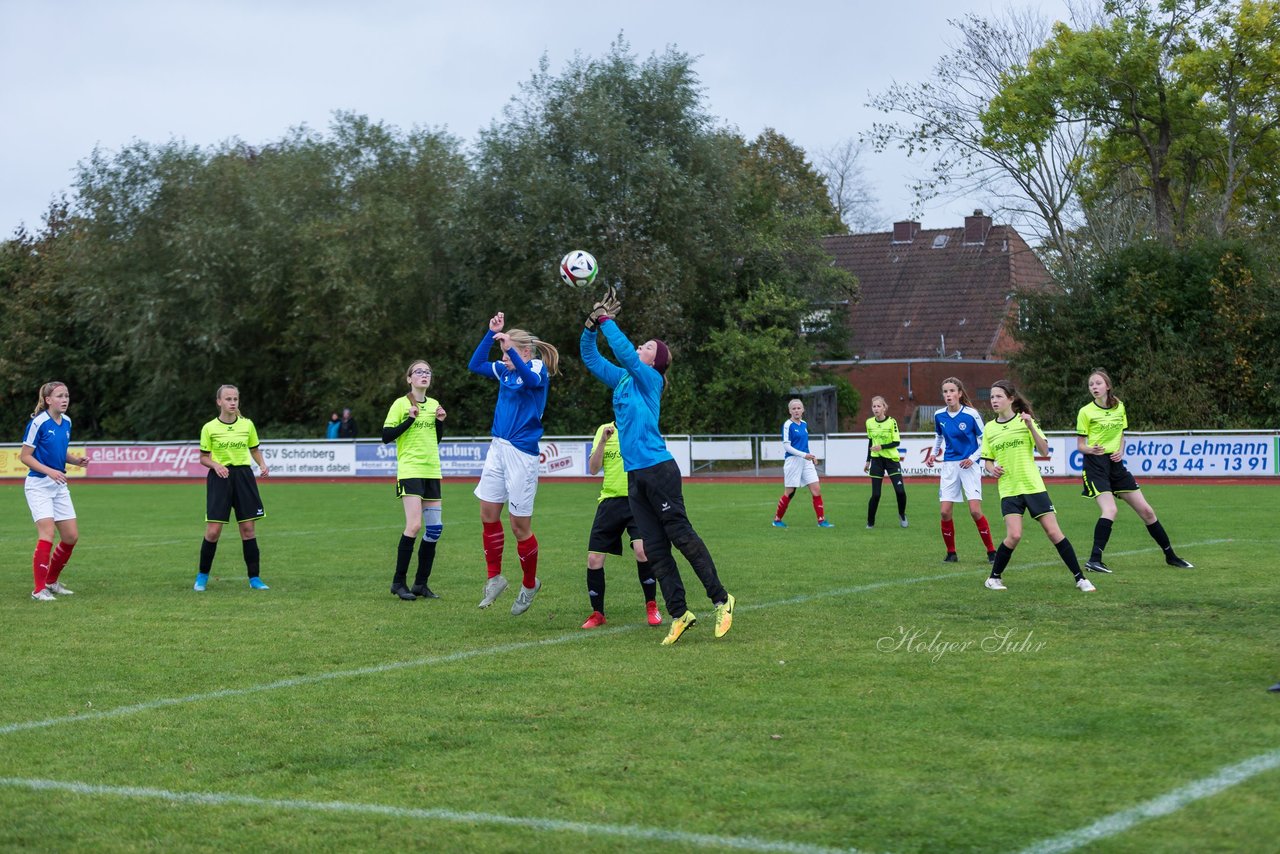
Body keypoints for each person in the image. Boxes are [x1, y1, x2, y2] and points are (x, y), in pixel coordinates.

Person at [580, 290, 735, 645]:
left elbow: (621, 351)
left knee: (681, 536)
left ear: (654, 361)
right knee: (654, 548)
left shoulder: (650, 380)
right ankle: (680, 613)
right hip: (636, 477)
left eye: (648, 346)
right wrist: (591, 324)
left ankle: (721, 599)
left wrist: (606, 319)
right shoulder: (622, 379)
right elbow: (590, 357)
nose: (640, 347)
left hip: (659, 470)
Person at [468, 311, 560, 615]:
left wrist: (509, 351)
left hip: (522, 454)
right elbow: (474, 365)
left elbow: (532, 380)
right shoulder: (505, 369)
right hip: (497, 448)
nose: (503, 356)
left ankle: (530, 583)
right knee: (487, 512)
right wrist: (490, 333)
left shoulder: (535, 367)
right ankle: (494, 578)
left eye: (509, 350)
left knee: (520, 525)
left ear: (525, 350)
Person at [979, 380, 1095, 593]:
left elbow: (1044, 451)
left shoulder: (1025, 422)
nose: (994, 401)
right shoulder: (989, 428)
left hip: (1033, 486)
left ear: (1011, 399)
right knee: (1014, 535)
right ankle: (993, 578)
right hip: (1009, 489)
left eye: (998, 396)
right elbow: (987, 459)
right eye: (992, 397)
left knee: (1053, 532)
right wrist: (990, 468)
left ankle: (1080, 578)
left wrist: (1031, 425)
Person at [1076, 368, 1194, 573]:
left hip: (1116, 465)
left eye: (1098, 383)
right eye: (1091, 384)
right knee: (1110, 510)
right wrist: (1091, 449)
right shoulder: (1086, 412)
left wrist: (1120, 451)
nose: (1094, 387)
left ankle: (1171, 556)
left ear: (1108, 386)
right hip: (1095, 466)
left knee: (1147, 511)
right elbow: (1080, 445)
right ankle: (1094, 560)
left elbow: (1121, 433)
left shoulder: (1119, 406)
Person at [581, 421, 663, 629]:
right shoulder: (603, 429)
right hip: (610, 501)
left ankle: (651, 606)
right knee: (594, 559)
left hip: (637, 501)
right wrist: (603, 441)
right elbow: (593, 469)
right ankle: (598, 613)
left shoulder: (642, 426)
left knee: (642, 551)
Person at [194, 385, 271, 592]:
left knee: (248, 529)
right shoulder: (209, 427)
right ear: (219, 402)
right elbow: (203, 457)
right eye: (228, 399)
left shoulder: (247, 425)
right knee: (213, 531)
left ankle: (255, 579)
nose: (232, 402)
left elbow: (254, 450)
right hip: (220, 477)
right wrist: (216, 464)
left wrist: (262, 464)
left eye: (235, 398)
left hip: (244, 477)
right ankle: (202, 577)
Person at [381, 360, 447, 601]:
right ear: (409, 378)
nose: (424, 375)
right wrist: (409, 419)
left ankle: (420, 584)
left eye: (427, 372)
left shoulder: (434, 404)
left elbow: (436, 440)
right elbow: (386, 437)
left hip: (432, 471)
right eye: (418, 372)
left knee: (435, 529)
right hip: (410, 470)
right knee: (414, 526)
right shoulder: (400, 404)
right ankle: (398, 582)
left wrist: (440, 422)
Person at [19, 381, 90, 601]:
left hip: (58, 485)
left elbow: (60, 450)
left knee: (70, 537)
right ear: (48, 400)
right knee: (47, 534)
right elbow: (25, 456)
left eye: (67, 395)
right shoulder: (38, 422)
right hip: (38, 485)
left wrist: (76, 461)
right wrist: (49, 471)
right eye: (59, 396)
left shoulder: (67, 421)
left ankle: (51, 582)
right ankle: (39, 590)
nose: (65, 399)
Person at [924, 377, 997, 563]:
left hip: (969, 466)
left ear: (959, 393)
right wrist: (933, 454)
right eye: (945, 392)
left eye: (951, 391)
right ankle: (951, 553)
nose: (948, 395)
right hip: (949, 466)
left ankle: (991, 551)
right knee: (944, 512)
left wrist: (972, 459)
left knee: (974, 511)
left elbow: (984, 441)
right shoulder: (939, 415)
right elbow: (939, 436)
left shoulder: (971, 414)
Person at [771, 398, 833, 528]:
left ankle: (821, 521)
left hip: (806, 461)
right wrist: (804, 455)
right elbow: (787, 447)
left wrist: (811, 457)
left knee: (816, 489)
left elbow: (804, 445)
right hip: (793, 461)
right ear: (789, 411)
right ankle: (777, 520)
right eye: (793, 408)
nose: (796, 410)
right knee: (790, 492)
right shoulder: (788, 425)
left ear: (803, 410)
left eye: (799, 408)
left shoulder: (804, 424)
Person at [864, 395, 907, 529]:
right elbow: (870, 441)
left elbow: (896, 442)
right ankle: (870, 523)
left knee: (900, 491)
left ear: (884, 408)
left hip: (891, 460)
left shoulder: (891, 422)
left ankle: (902, 514)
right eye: (874, 406)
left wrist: (881, 447)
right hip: (876, 460)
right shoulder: (869, 422)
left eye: (878, 406)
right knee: (876, 494)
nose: (876, 408)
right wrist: (867, 460)